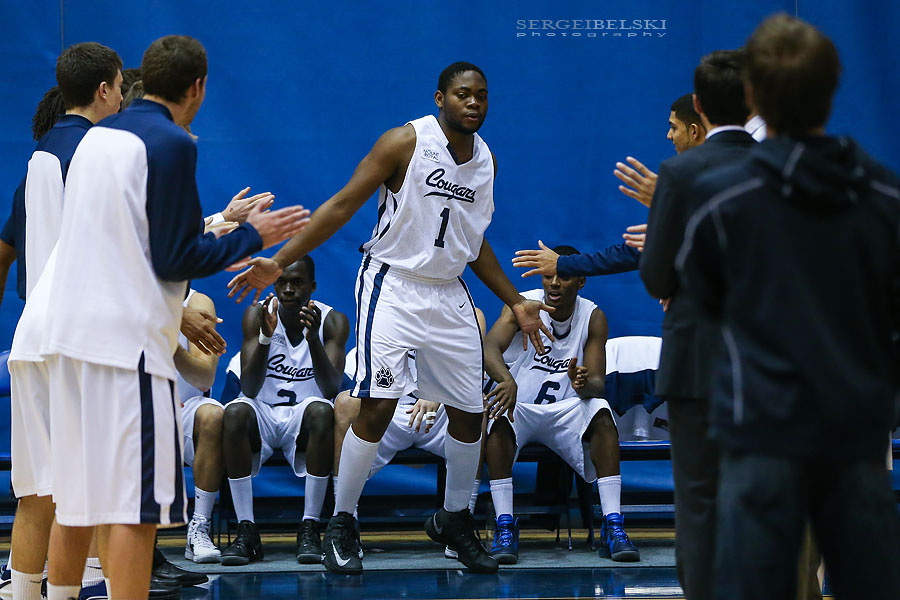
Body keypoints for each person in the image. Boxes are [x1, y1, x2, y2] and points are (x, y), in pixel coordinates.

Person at [226, 61, 552, 575]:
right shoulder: (404, 142)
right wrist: (281, 260)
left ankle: (454, 518)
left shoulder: (485, 160)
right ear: (440, 98)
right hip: (393, 284)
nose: (474, 103)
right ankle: (342, 522)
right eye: (463, 94)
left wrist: (513, 300)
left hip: (449, 292)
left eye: (482, 96)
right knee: (375, 406)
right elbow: (341, 204)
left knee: (469, 414)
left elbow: (474, 242)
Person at [36, 35, 309, 600]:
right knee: (136, 513)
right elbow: (174, 258)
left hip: (65, 340)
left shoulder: (96, 138)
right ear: (197, 88)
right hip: (123, 349)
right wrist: (258, 238)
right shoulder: (173, 143)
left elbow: (129, 240)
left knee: (76, 501)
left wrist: (221, 224)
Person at [677, 14, 900, 600]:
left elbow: (702, 303)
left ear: (752, 97)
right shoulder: (886, 199)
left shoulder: (721, 201)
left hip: (761, 436)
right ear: (834, 87)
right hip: (855, 438)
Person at [1, 42, 124, 600]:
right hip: (82, 335)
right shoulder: (101, 151)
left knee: (37, 493)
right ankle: (93, 587)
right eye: (122, 87)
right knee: (97, 489)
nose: (125, 98)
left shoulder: (40, 154)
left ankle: (25, 590)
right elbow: (131, 246)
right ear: (104, 91)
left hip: (33, 334)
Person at [639, 49, 755, 600]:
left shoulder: (681, 172)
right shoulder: (779, 165)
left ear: (700, 108)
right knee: (760, 500)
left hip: (695, 363)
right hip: (765, 364)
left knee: (698, 502)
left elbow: (656, 276)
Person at [482, 245, 638, 564]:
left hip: (564, 411)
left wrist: (583, 384)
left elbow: (596, 383)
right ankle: (505, 525)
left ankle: (613, 524)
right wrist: (506, 380)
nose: (554, 283)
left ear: (581, 282)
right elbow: (487, 348)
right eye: (549, 276)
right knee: (496, 415)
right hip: (521, 406)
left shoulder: (593, 316)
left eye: (564, 277)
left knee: (600, 412)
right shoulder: (523, 306)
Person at [221, 256, 349, 566]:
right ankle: (246, 530)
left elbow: (332, 390)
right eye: (281, 283)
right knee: (235, 413)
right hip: (263, 411)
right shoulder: (258, 313)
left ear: (313, 286)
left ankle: (310, 527)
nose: (288, 289)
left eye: (297, 282)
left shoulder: (333, 321)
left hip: (303, 418)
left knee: (322, 410)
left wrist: (313, 340)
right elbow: (249, 388)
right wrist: (266, 337)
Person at [511, 94, 706, 278]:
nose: (669, 136)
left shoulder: (715, 180)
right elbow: (643, 250)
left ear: (694, 131)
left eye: (674, 127)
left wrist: (669, 203)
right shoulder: (691, 177)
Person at [177, 289, 227, 564]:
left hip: (185, 409)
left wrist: (170, 345)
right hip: (137, 403)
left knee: (213, 414)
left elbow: (205, 377)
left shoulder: (199, 303)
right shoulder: (130, 292)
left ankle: (199, 526)